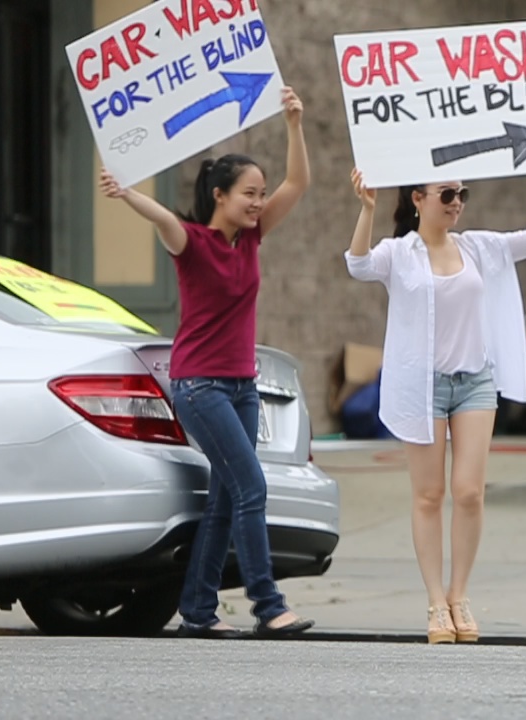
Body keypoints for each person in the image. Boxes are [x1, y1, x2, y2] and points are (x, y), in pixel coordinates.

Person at [99, 87, 313, 640]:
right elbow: (160, 217)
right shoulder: (191, 241)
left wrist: (293, 123)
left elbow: (300, 184)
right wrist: (125, 193)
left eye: (261, 194)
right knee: (251, 488)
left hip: (242, 388)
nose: (259, 202)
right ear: (219, 195)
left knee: (224, 498)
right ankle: (268, 603)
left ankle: (197, 609)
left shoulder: (252, 239)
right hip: (199, 388)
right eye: (249, 193)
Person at [345, 141, 526, 644]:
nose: (456, 202)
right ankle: (434, 603)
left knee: (469, 492)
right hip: (421, 384)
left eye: (461, 193)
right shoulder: (399, 254)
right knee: (429, 495)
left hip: (474, 382)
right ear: (419, 198)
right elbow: (357, 265)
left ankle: (459, 594)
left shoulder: (477, 247)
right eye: (447, 193)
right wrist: (367, 209)